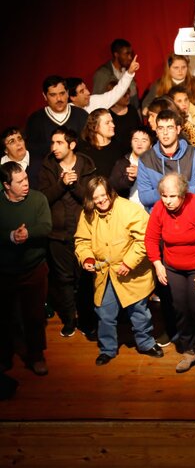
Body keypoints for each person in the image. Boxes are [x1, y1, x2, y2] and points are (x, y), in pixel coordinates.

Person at [74, 176, 163, 366]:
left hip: (132, 272)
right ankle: (107, 349)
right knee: (104, 313)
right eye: (96, 198)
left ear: (110, 192)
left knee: (139, 312)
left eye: (103, 195)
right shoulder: (87, 214)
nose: (101, 200)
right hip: (105, 273)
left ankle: (146, 343)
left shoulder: (130, 209)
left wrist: (129, 262)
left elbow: (145, 239)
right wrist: (87, 258)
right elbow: (82, 241)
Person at [145, 173, 195, 375]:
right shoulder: (159, 209)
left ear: (183, 194)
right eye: (164, 196)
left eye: (172, 196)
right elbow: (150, 238)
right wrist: (157, 263)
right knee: (180, 308)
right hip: (173, 266)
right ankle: (189, 351)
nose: (167, 201)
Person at [38, 126, 96, 338]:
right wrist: (62, 184)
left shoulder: (86, 166)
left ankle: (87, 320)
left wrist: (74, 185)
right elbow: (43, 198)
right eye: (53, 143)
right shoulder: (47, 167)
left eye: (59, 143)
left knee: (85, 279)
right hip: (57, 235)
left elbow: (92, 199)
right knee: (63, 280)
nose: (54, 147)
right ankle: (70, 320)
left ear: (72, 145)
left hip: (84, 235)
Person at [0, 162, 52, 376]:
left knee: (34, 316)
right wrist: (11, 236)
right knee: (4, 316)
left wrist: (28, 233)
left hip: (33, 268)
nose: (25, 184)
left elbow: (46, 226)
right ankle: (4, 357)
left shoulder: (38, 199)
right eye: (19, 181)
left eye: (26, 179)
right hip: (4, 271)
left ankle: (36, 356)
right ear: (6, 185)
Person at [137, 109, 195, 212]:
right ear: (156, 131)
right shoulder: (145, 159)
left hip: (190, 215)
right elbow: (144, 197)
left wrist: (179, 190)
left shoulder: (193, 153)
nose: (165, 133)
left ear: (178, 129)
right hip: (161, 218)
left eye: (169, 127)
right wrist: (168, 191)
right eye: (161, 128)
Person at [25, 75, 88, 165]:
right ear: (45, 96)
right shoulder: (35, 120)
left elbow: (88, 147)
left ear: (67, 93)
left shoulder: (81, 115)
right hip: (48, 170)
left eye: (62, 93)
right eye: (53, 95)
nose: (59, 99)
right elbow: (33, 152)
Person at [141, 53, 195, 121]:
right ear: (169, 69)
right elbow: (146, 106)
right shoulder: (159, 85)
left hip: (193, 125)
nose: (180, 71)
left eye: (183, 67)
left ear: (188, 67)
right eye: (176, 68)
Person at [66, 54, 139, 113]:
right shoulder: (66, 113)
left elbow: (116, 93)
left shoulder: (93, 101)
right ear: (72, 97)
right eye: (82, 91)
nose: (88, 93)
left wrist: (129, 73)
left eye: (86, 89)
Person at [110, 126, 154, 204]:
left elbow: (160, 185)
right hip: (128, 208)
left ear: (151, 145)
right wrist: (129, 179)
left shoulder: (156, 163)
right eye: (135, 140)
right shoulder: (122, 163)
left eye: (144, 141)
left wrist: (141, 173)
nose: (139, 144)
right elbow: (113, 186)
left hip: (150, 208)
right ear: (131, 143)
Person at [92, 38, 140, 110]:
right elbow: (96, 102)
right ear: (116, 54)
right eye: (127, 54)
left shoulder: (128, 72)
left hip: (128, 113)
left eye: (131, 54)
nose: (130, 57)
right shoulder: (103, 74)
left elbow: (134, 100)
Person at [78, 108, 124, 178]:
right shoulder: (84, 151)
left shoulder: (120, 147)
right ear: (95, 127)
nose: (113, 125)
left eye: (112, 121)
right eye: (107, 123)